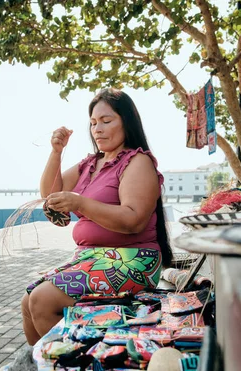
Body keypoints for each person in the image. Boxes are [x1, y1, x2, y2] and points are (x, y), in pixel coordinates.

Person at [21, 88, 173, 345]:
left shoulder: (137, 162)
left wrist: (80, 202)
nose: (97, 129)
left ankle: (78, 364)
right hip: (92, 258)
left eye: (106, 120)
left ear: (127, 121)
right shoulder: (90, 164)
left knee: (43, 300)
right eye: (93, 123)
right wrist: (56, 152)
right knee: (28, 302)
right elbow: (50, 193)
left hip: (132, 261)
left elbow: (132, 219)